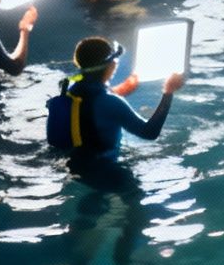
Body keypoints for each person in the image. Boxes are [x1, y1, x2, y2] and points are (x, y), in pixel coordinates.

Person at [54, 36, 184, 174]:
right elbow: (149, 133)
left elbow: (92, 104)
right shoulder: (112, 103)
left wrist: (123, 88)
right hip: (105, 172)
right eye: (115, 59)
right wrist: (168, 92)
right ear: (111, 65)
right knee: (136, 193)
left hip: (72, 165)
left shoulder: (69, 92)